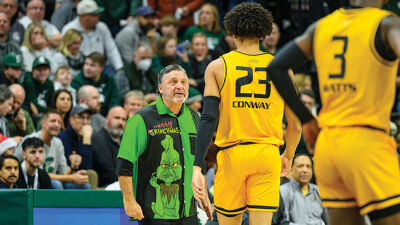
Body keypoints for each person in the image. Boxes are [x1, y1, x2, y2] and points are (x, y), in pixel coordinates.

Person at [266, 0, 400, 224]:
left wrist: (307, 120)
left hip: (327, 147)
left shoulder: (321, 27)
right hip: (367, 143)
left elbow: (276, 67)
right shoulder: (387, 23)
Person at [192, 3, 302, 225]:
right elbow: (296, 123)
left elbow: (208, 118)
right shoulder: (281, 67)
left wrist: (197, 165)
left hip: (233, 154)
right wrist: (288, 155)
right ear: (264, 33)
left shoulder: (217, 66)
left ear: (232, 33)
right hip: (267, 154)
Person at [117, 64, 212, 224]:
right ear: (160, 88)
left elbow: (198, 161)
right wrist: (129, 201)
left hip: (188, 211)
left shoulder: (195, 119)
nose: (180, 86)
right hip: (153, 212)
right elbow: (124, 163)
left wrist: (204, 196)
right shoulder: (141, 119)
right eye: (173, 82)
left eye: (184, 82)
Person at [15, 110, 90, 189]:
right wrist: (72, 178)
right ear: (43, 123)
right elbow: (40, 174)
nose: (57, 125)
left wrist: (73, 167)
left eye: (59, 122)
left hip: (53, 180)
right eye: (53, 121)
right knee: (56, 184)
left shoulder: (58, 143)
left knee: (85, 186)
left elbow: (64, 173)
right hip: (31, 181)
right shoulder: (30, 140)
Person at [61, 0, 123, 71]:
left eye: (98, 14)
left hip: (101, 68)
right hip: (78, 69)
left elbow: (112, 50)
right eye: (94, 15)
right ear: (83, 16)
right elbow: (65, 53)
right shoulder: (70, 30)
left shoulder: (102, 27)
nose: (98, 16)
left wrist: (120, 69)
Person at [279, 154, 328, 225]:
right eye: (300, 166)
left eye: (308, 167)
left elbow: (329, 220)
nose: (305, 170)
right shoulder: (284, 191)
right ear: (291, 169)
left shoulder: (318, 191)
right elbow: (282, 222)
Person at [58, 104, 98, 189]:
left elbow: (88, 168)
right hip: (64, 178)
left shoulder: (88, 136)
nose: (85, 122)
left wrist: (87, 138)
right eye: (81, 117)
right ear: (71, 120)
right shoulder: (62, 138)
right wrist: (86, 139)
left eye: (88, 118)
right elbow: (84, 168)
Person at [71, 52, 120, 116]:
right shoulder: (77, 81)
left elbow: (114, 102)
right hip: (86, 114)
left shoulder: (109, 81)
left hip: (106, 116)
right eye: (86, 64)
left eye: (92, 65)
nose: (87, 68)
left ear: (101, 68)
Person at [92, 106, 126, 187]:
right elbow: (107, 171)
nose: (120, 122)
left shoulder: (125, 139)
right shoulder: (99, 139)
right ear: (107, 119)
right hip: (107, 186)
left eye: (123, 119)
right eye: (117, 118)